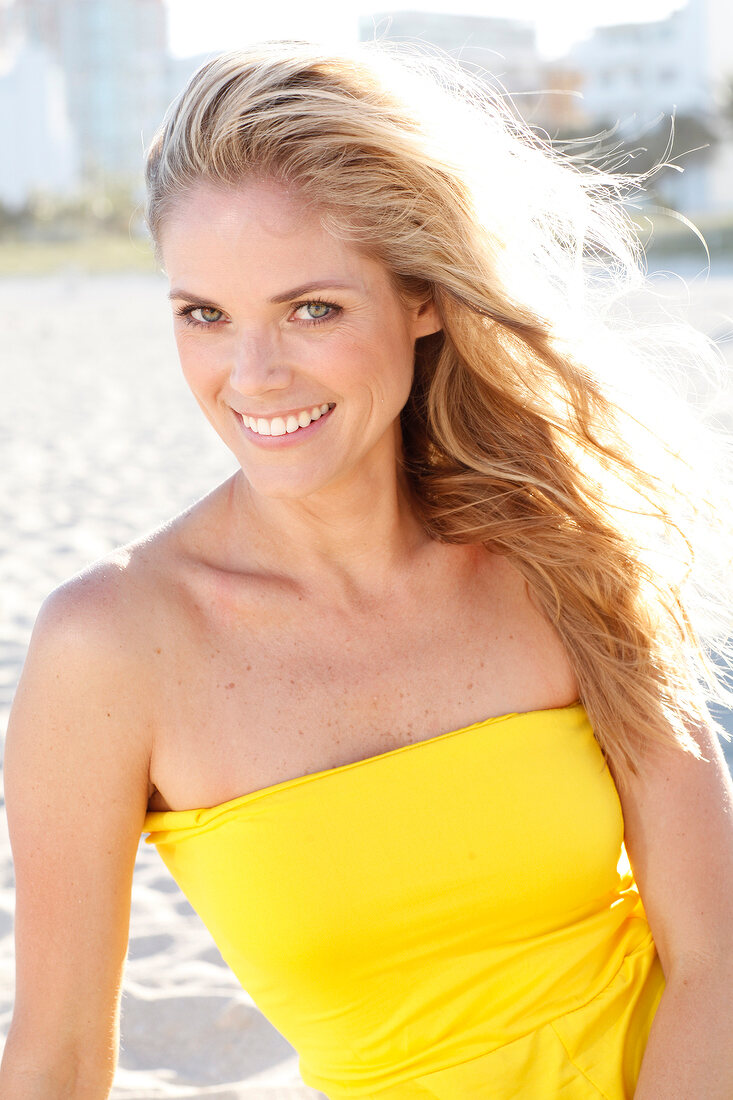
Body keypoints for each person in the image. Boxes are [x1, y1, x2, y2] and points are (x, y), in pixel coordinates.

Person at [2, 41, 733, 1100]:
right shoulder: (112, 647)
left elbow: (715, 955)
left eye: (313, 309)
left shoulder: (566, 551)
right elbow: (57, 1060)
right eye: (203, 314)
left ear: (424, 298)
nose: (251, 377)